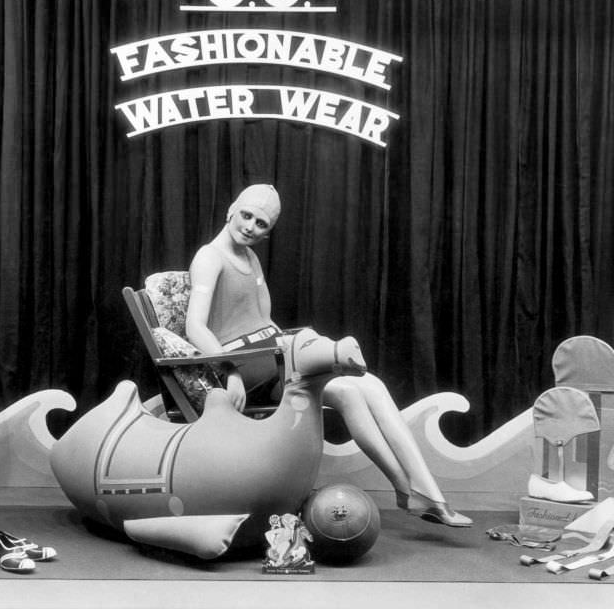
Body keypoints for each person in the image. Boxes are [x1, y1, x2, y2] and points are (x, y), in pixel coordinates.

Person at [185, 184, 472, 527]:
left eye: (261, 224)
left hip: (273, 361)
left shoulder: (250, 258)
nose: (250, 226)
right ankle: (330, 351)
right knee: (311, 344)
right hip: (242, 366)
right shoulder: (210, 255)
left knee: (360, 388)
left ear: (268, 232)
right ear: (232, 208)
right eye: (246, 216)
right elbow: (195, 327)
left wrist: (282, 345)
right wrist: (229, 372)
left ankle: (416, 491)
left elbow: (264, 321)